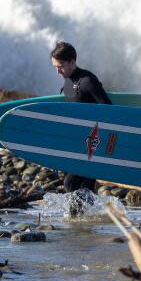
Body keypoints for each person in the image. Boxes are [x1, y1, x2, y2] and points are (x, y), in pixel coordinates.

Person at [50, 41, 111, 194]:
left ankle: (82, 215)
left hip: (93, 143)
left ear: (72, 61)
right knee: (82, 188)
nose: (58, 71)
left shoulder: (87, 81)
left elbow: (109, 110)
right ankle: (86, 217)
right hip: (78, 143)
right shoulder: (67, 84)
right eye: (55, 67)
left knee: (71, 182)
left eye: (61, 66)